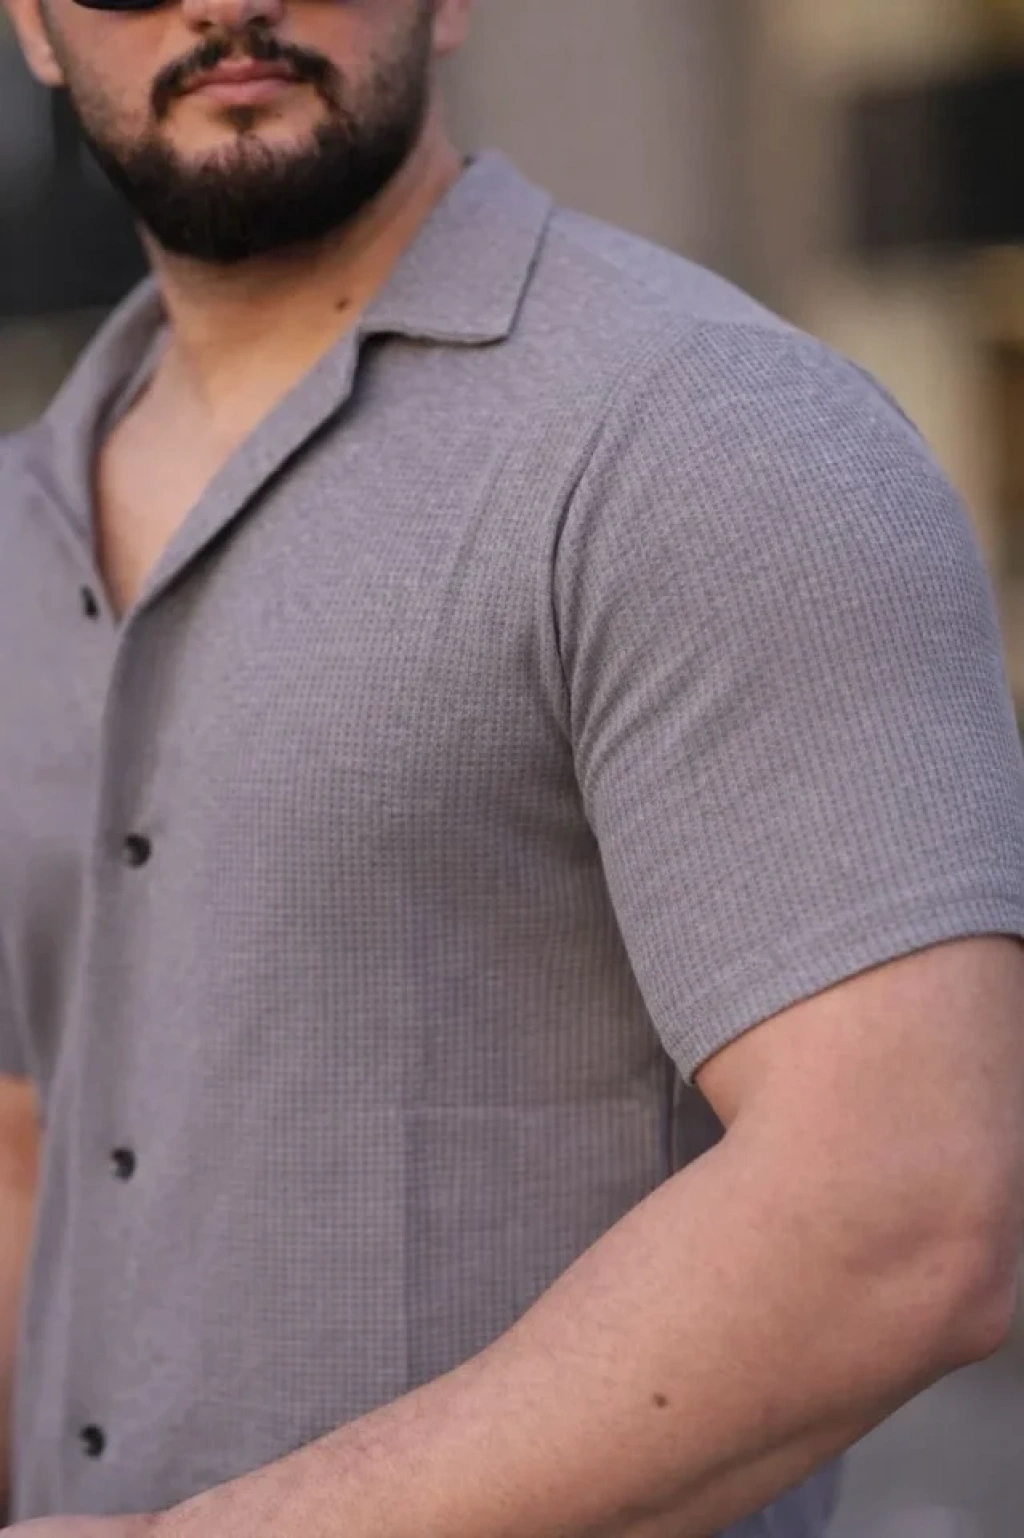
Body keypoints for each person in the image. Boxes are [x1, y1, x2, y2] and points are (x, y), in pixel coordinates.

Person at [1, 2, 1023, 1535]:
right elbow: (28, 1150)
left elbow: (904, 1206)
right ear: (30, 25)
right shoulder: (14, 531)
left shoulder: (710, 432)